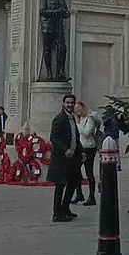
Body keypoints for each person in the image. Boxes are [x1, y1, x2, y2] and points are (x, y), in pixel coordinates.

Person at [47, 93, 81, 222]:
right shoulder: (59, 118)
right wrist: (65, 149)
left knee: (72, 183)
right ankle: (57, 213)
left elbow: (74, 137)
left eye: (72, 103)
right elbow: (53, 138)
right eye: (67, 103)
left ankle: (65, 208)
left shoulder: (72, 118)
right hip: (62, 158)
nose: (70, 105)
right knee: (60, 185)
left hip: (73, 157)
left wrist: (80, 150)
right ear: (63, 103)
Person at [73, 102, 100, 206]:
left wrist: (76, 125)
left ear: (83, 107)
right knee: (75, 171)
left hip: (89, 147)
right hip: (79, 147)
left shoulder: (90, 118)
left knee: (89, 172)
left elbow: (87, 132)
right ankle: (79, 194)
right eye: (76, 109)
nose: (77, 110)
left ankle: (91, 197)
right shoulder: (80, 118)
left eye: (79, 107)